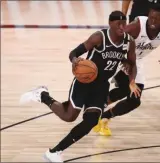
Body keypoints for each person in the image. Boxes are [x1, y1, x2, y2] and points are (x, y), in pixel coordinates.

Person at [19, 11, 141, 162]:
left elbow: (133, 63)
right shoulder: (99, 37)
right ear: (110, 23)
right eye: (118, 24)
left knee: (91, 121)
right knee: (69, 116)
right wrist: (75, 60)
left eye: (124, 23)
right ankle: (42, 95)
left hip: (102, 86)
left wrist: (131, 80)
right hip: (84, 82)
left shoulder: (129, 42)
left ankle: (54, 152)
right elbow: (74, 52)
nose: (122, 27)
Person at [93, 4, 160, 136]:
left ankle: (104, 115)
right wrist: (122, 60)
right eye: (151, 17)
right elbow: (114, 38)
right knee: (124, 89)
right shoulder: (137, 26)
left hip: (137, 61)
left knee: (134, 100)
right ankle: (96, 109)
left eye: (156, 19)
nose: (152, 21)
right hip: (120, 57)